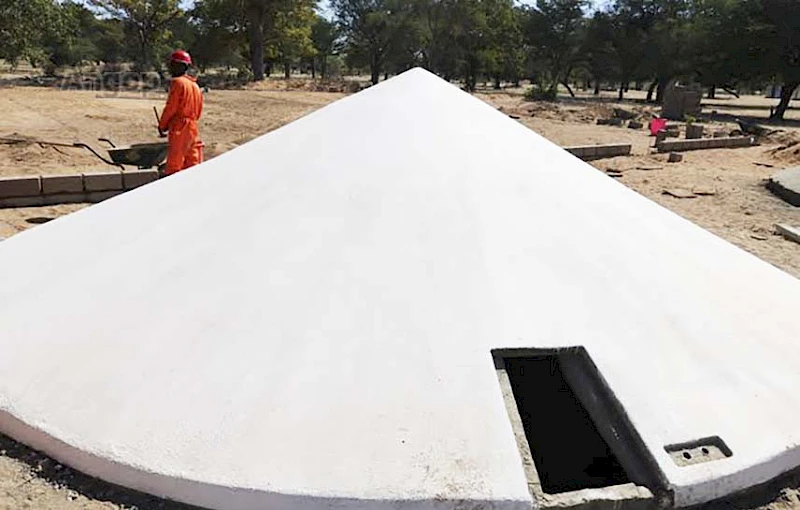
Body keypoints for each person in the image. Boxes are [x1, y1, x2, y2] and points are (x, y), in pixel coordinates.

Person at [158, 49, 204, 176]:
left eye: (173, 65)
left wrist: (163, 125)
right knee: (192, 163)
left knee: (174, 164)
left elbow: (171, 107)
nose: (171, 69)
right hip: (193, 127)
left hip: (180, 126)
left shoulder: (177, 83)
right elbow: (199, 111)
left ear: (180, 66)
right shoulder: (195, 86)